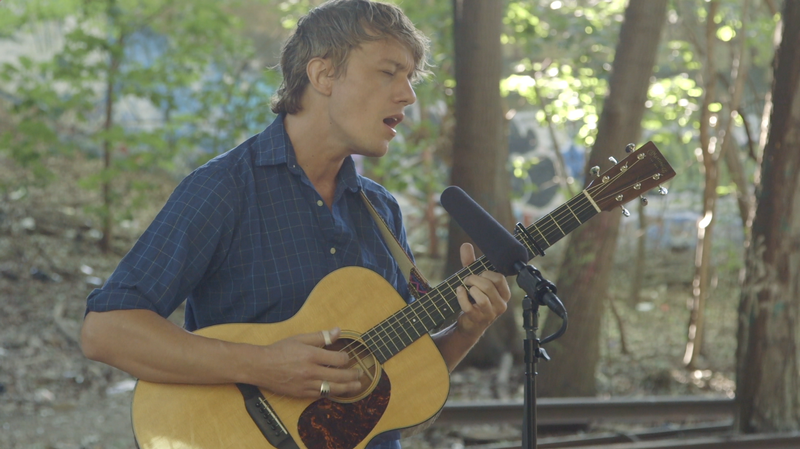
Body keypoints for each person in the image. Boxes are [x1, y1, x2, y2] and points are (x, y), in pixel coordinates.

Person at [80, 1, 511, 448]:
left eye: (410, 78)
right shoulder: (225, 189)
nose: (408, 95)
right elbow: (107, 331)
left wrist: (466, 329)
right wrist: (264, 365)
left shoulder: (380, 211)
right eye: (389, 72)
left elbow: (397, 383)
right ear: (323, 75)